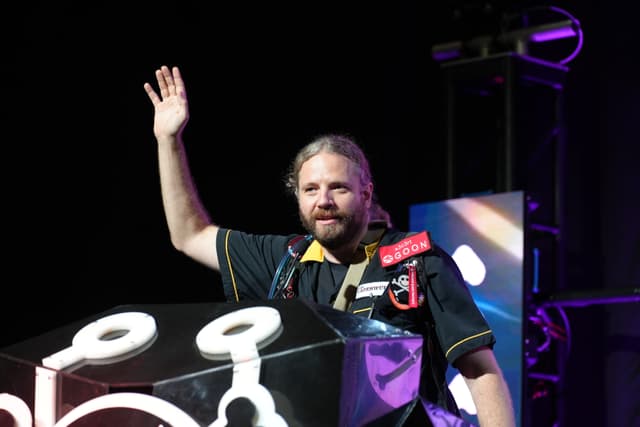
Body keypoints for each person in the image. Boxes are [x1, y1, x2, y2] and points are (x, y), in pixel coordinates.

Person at [143, 65, 516, 427]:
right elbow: (189, 236)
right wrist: (168, 141)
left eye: (338, 187)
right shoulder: (283, 260)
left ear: (366, 194)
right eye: (310, 190)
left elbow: (480, 372)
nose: (324, 201)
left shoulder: (418, 262)